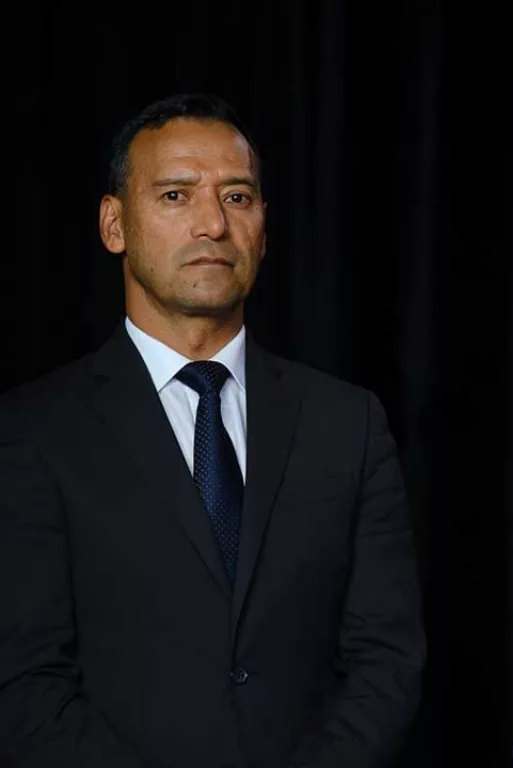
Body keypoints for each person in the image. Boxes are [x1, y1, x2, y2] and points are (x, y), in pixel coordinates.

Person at [0, 94, 425, 767]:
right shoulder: (32, 431)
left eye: (237, 197)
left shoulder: (348, 422)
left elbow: (387, 658)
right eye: (175, 195)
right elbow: (24, 686)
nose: (212, 224)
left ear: (262, 225)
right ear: (114, 223)